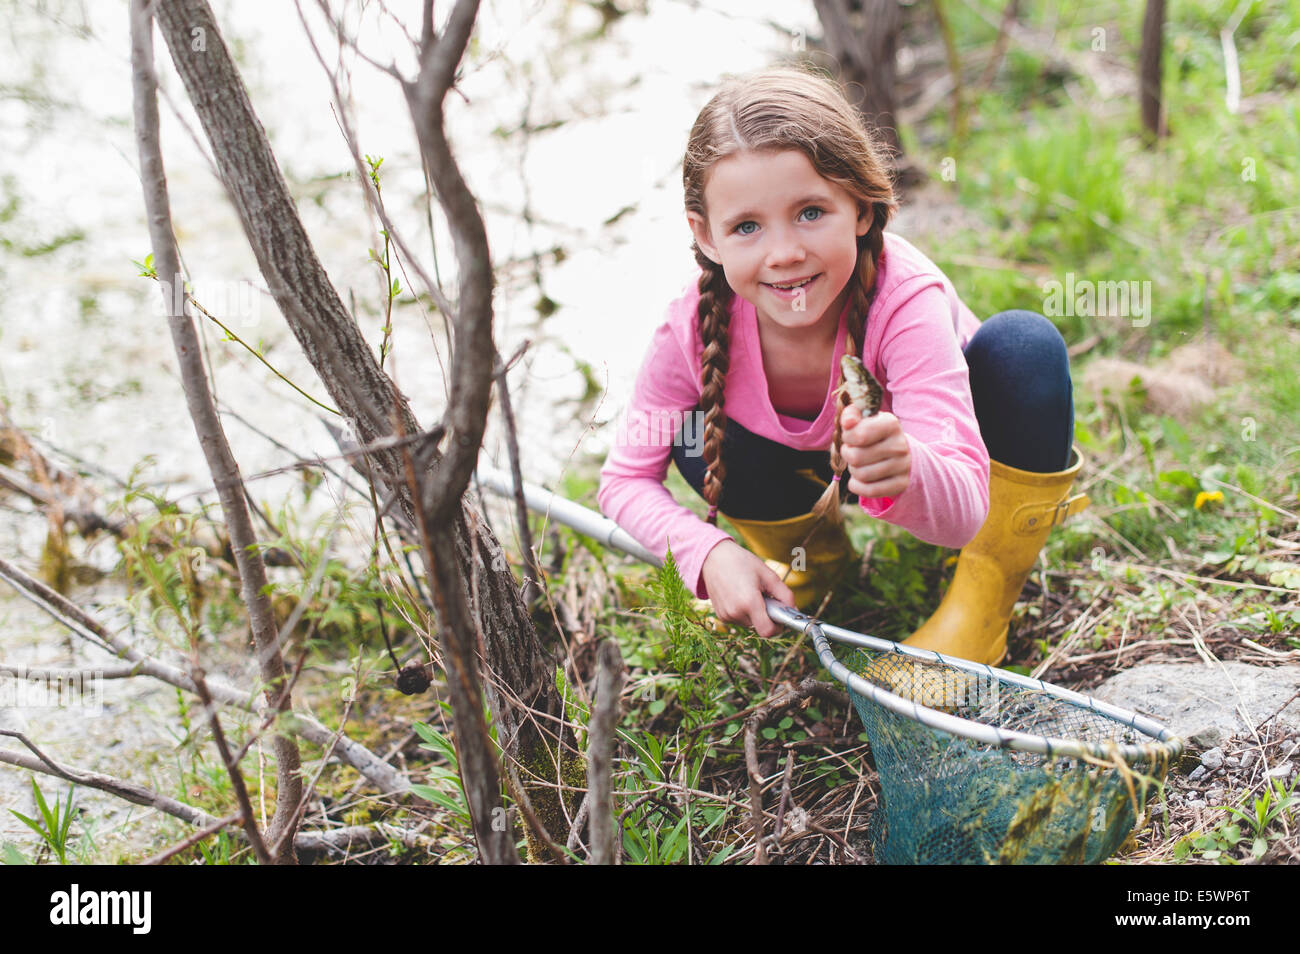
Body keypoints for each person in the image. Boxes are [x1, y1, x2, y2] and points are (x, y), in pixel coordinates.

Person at [598, 66, 1087, 663]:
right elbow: (624, 480)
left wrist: (906, 466)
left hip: (933, 459)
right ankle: (813, 566)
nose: (784, 253)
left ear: (860, 205)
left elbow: (961, 509)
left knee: (1025, 348)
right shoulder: (689, 328)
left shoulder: (905, 302)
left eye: (810, 212)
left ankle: (980, 600)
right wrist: (709, 553)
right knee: (695, 434)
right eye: (746, 226)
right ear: (706, 237)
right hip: (803, 473)